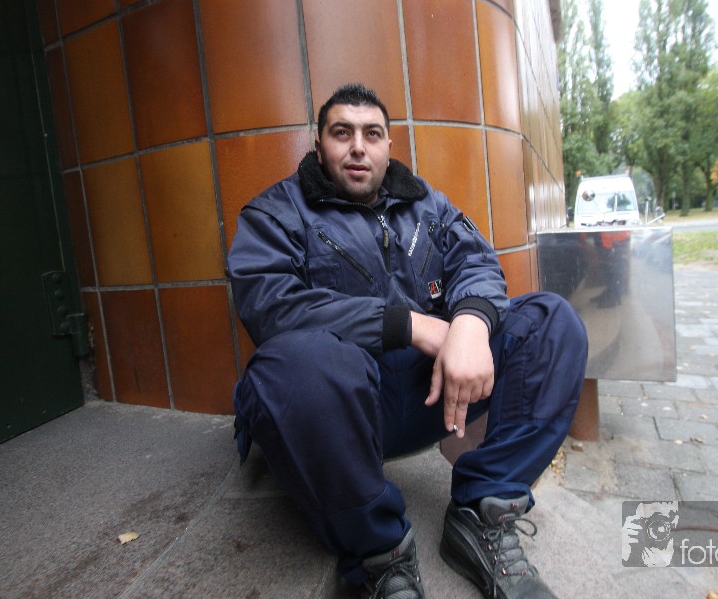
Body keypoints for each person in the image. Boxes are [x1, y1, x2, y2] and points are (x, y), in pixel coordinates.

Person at [229, 83, 588, 599]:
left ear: (388, 146)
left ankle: (483, 511)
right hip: (343, 413)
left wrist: (470, 324)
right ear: (319, 145)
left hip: (434, 393)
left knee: (552, 323)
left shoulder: (427, 204)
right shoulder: (276, 213)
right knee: (290, 366)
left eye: (372, 134)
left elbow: (477, 261)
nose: (358, 147)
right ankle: (380, 555)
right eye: (342, 133)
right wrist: (413, 325)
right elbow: (271, 305)